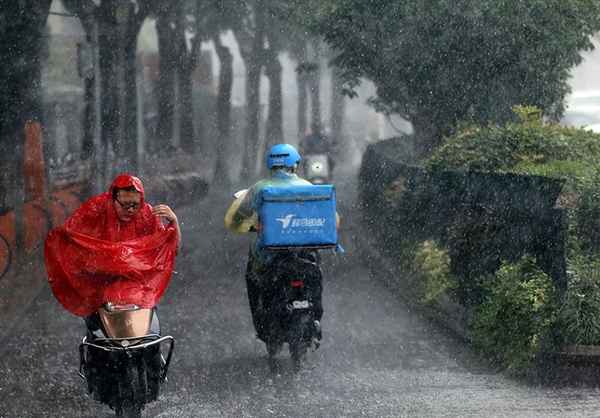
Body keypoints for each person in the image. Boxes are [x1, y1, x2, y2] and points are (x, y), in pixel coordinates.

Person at [225, 144, 325, 346]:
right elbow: (330, 219)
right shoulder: (308, 187)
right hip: (304, 254)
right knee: (316, 275)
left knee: (253, 280)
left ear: (270, 164)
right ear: (295, 165)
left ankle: (263, 325)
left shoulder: (260, 189)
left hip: (268, 257)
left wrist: (247, 227)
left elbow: (234, 219)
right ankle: (315, 319)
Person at [45, 173, 180, 317]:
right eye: (125, 205)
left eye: (135, 205)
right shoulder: (96, 210)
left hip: (136, 289)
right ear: (113, 199)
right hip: (99, 284)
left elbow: (168, 251)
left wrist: (174, 223)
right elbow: (74, 239)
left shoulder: (146, 215)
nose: (130, 210)